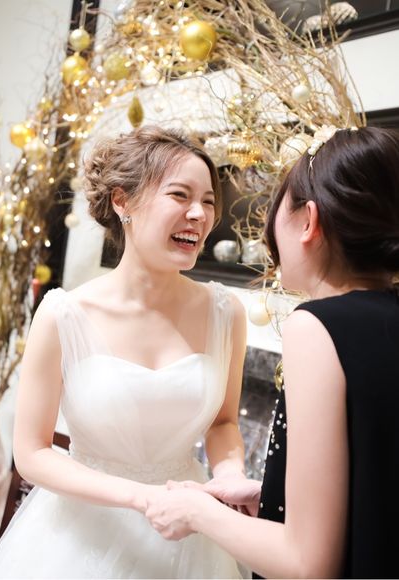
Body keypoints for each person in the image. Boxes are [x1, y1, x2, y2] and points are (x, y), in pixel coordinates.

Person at [0, 126, 248, 578]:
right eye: (180, 195)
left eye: (207, 201)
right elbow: (32, 453)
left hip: (188, 534)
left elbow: (223, 423)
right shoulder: (63, 315)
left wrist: (229, 476)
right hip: (81, 533)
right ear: (123, 202)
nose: (199, 214)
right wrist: (141, 497)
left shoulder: (226, 313)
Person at [145, 126, 399, 579]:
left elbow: (307, 565)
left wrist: (196, 511)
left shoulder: (317, 326)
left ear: (308, 221)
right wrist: (273, 497)